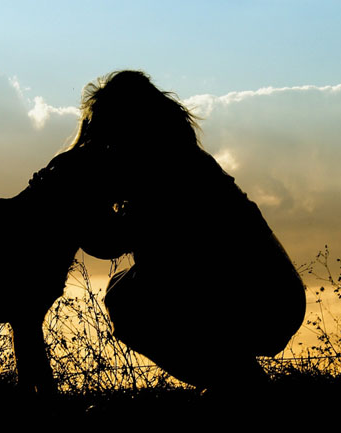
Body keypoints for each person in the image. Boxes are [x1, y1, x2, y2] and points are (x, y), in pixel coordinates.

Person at [63, 70, 307, 395]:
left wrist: (71, 204)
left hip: (255, 301)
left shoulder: (161, 175)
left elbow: (108, 242)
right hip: (275, 297)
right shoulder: (187, 161)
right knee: (131, 288)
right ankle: (237, 383)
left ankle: (241, 385)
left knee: (127, 300)